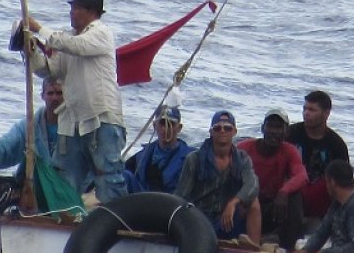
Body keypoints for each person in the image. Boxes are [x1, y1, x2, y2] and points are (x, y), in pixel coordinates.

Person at [24, 0, 127, 203]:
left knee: (108, 176)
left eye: (76, 8)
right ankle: (64, 218)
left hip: (102, 120)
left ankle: (118, 223)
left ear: (91, 11)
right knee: (64, 176)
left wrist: (39, 29)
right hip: (74, 123)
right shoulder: (68, 39)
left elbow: (77, 47)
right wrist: (31, 50)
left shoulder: (101, 33)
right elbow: (51, 71)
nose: (71, 12)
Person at [0, 76, 64, 206]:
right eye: (50, 93)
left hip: (67, 185)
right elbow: (5, 149)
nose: (55, 98)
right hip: (36, 185)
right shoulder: (29, 126)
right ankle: (19, 200)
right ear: (43, 96)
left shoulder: (79, 127)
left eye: (59, 93)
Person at [175, 110, 262, 244]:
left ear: (234, 132)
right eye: (217, 128)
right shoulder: (194, 159)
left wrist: (233, 203)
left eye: (227, 128)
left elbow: (253, 185)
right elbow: (181, 196)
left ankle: (254, 247)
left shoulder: (242, 158)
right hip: (200, 219)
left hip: (228, 219)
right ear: (211, 132)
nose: (222, 131)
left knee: (253, 201)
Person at [237, 109, 309, 251]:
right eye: (270, 126)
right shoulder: (245, 148)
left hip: (273, 208)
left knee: (295, 196)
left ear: (286, 132)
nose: (274, 131)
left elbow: (302, 176)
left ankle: (286, 245)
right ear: (263, 128)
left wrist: (284, 192)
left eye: (278, 127)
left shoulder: (289, 150)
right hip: (246, 205)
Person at [287, 91, 350, 220]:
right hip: (292, 189)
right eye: (304, 108)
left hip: (321, 195)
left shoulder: (336, 144)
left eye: (312, 110)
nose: (306, 113)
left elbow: (344, 180)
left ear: (326, 114)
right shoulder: (290, 134)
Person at [293, 160, 354, 253]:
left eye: (327, 182)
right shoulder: (336, 205)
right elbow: (322, 233)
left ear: (332, 183)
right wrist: (306, 250)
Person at [124, 104, 193, 194]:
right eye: (162, 123)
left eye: (171, 124)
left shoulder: (191, 157)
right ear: (154, 125)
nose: (165, 129)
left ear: (179, 128)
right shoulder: (144, 154)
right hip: (141, 200)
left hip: (172, 203)